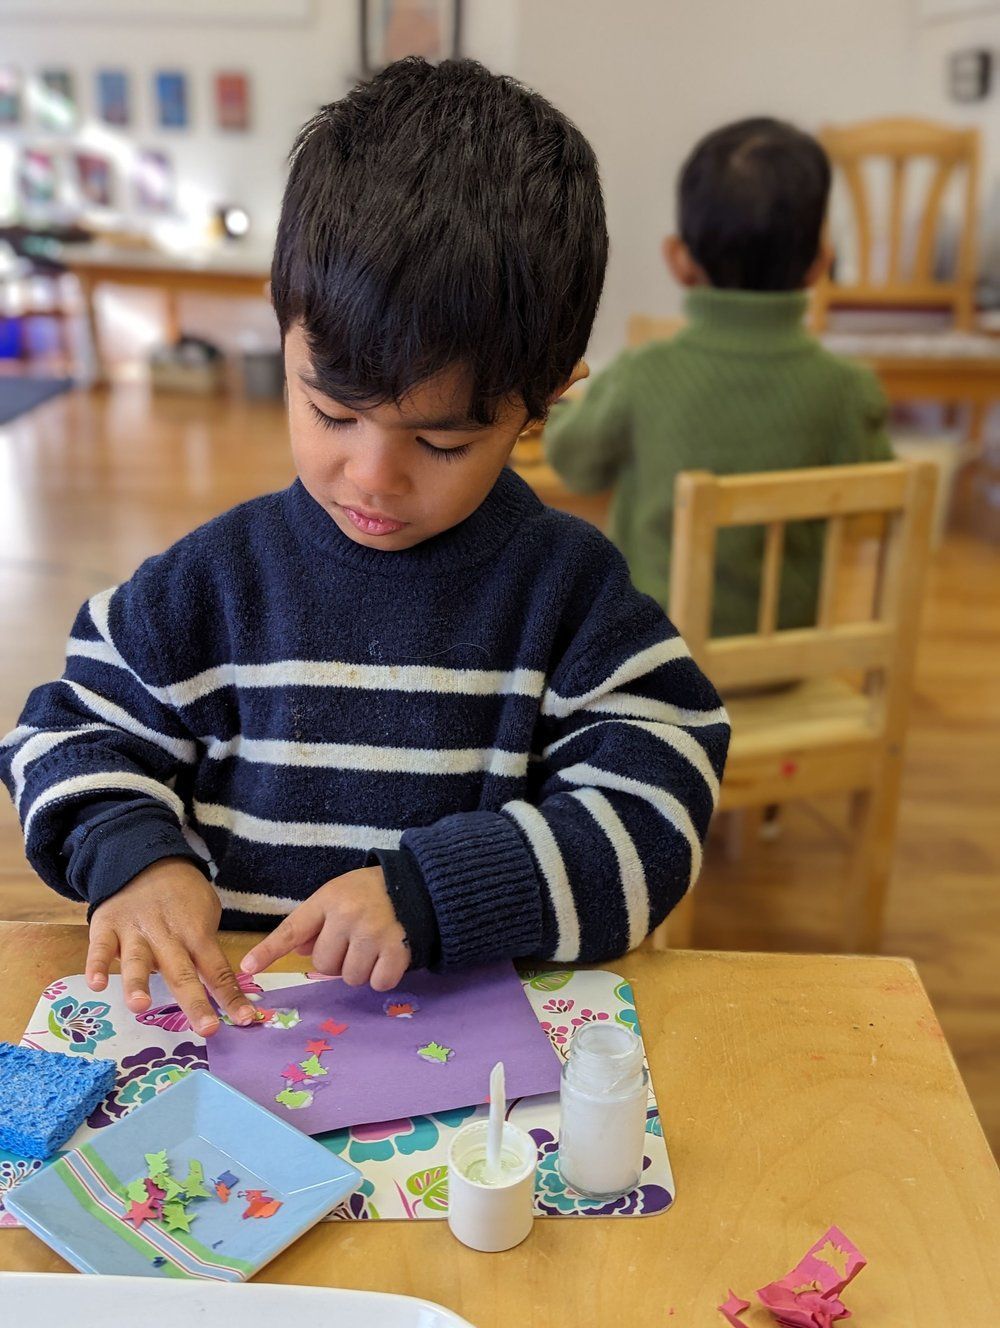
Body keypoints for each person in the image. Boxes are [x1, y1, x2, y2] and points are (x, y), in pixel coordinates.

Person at [0, 59, 728, 1038]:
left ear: (545, 396)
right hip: (233, 1056)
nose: (372, 476)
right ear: (284, 334)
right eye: (332, 412)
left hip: (472, 1083)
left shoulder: (569, 596)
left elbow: (659, 804)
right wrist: (137, 857)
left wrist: (438, 893)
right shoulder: (214, 583)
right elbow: (63, 732)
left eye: (440, 441)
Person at [545, 117, 893, 638]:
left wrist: (563, 411)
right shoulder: (848, 390)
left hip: (654, 659)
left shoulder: (644, 374)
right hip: (786, 657)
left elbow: (575, 466)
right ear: (821, 263)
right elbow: (875, 509)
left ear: (679, 261)